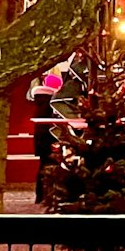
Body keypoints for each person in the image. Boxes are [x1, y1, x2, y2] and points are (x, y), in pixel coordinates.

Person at [29, 56, 74, 205]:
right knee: (53, 165)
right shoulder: (53, 102)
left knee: (43, 165)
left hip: (40, 138)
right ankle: (51, 194)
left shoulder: (39, 100)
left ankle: (40, 194)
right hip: (51, 137)